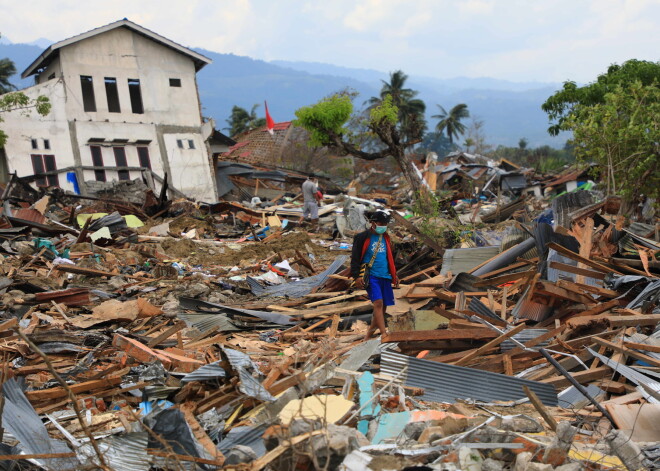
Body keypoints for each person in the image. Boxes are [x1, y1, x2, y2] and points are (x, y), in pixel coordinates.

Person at [350, 210, 398, 339]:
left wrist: (394, 274)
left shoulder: (386, 238)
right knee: (378, 303)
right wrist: (357, 276)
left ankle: (369, 334)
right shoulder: (362, 238)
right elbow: (354, 258)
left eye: (385, 223)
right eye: (381, 223)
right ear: (372, 222)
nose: (383, 225)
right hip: (371, 275)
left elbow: (389, 258)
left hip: (385, 275)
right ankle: (383, 333)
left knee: (383, 307)